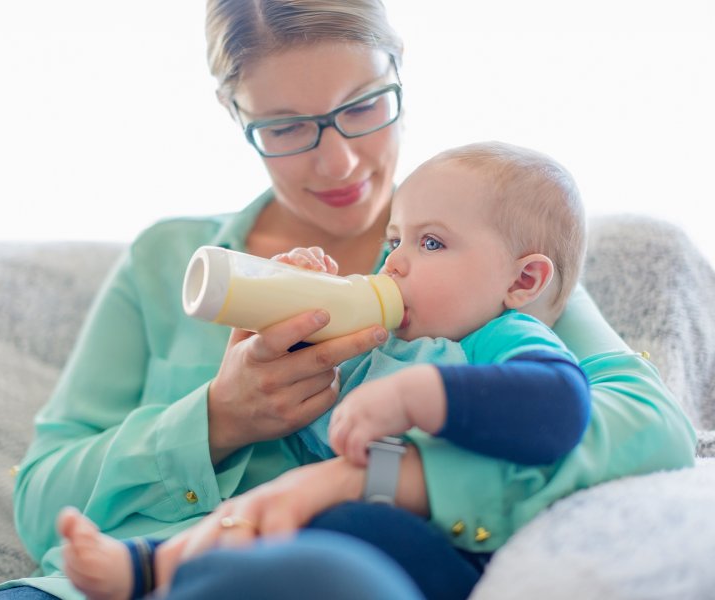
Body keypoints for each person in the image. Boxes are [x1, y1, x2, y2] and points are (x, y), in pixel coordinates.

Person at [0, 1, 695, 599]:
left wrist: (387, 477)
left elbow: (651, 425)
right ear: (234, 111)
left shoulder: (487, 258)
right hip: (110, 581)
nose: (339, 163)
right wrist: (215, 420)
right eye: (286, 126)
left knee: (325, 575)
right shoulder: (164, 262)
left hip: (328, 569)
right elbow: (43, 503)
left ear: (398, 73)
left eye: (362, 106)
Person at [56, 140, 595, 600]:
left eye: (431, 243)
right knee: (274, 513)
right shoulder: (383, 341)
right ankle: (151, 564)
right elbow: (297, 399)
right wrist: (296, 302)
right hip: (320, 519)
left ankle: (165, 569)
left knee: (326, 529)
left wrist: (419, 395)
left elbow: (560, 406)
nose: (396, 263)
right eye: (394, 241)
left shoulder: (500, 336)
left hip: (429, 548)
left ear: (522, 282)